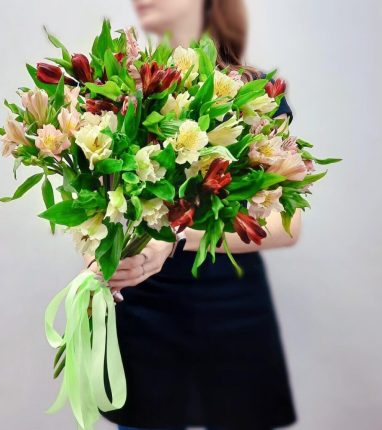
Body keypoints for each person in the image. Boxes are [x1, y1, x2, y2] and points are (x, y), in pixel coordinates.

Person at [84, 0, 300, 428]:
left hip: (231, 309)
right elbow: (102, 202)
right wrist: (101, 255)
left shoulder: (256, 93)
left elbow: (286, 224)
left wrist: (174, 237)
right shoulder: (122, 86)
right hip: (143, 310)